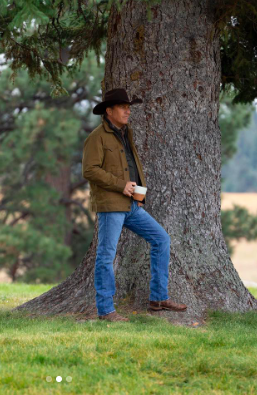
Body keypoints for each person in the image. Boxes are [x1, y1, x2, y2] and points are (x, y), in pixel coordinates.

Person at [82, 88, 187, 322]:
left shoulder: (125, 133)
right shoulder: (96, 137)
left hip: (131, 206)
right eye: (123, 107)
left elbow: (132, 168)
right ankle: (106, 311)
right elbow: (89, 170)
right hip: (111, 206)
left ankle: (158, 298)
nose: (128, 110)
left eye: (129, 107)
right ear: (109, 111)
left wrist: (138, 198)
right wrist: (120, 185)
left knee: (161, 239)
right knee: (106, 256)